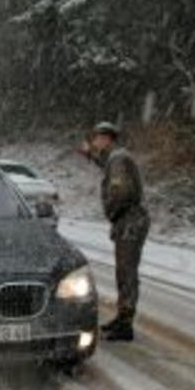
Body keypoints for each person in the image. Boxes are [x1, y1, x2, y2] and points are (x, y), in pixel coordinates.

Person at [79, 122, 151, 341]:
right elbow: (106, 165)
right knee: (124, 271)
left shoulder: (118, 158)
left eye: (96, 139)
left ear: (106, 139)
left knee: (126, 272)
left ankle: (125, 324)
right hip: (128, 219)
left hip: (129, 220)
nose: (94, 142)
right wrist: (91, 155)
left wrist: (112, 211)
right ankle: (122, 317)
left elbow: (120, 191)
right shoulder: (115, 157)